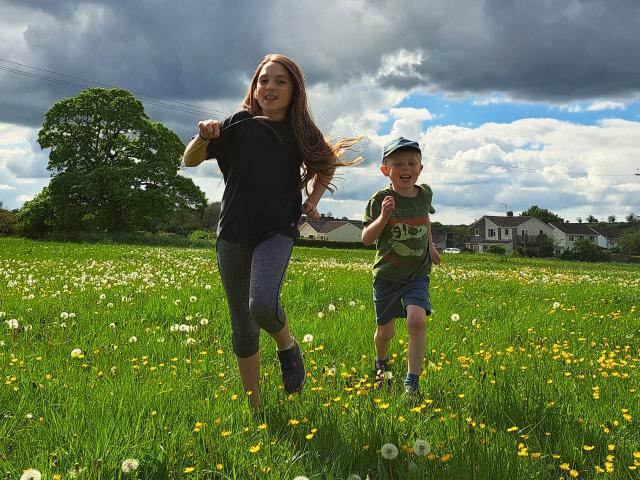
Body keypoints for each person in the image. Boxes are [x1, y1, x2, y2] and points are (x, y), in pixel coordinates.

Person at [182, 54, 360, 409]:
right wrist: (202, 137)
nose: (270, 87)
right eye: (264, 80)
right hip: (233, 232)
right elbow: (189, 159)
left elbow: (324, 163)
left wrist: (313, 199)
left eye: (280, 81)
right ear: (254, 86)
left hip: (277, 229)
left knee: (262, 303)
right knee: (243, 326)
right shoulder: (239, 124)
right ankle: (255, 408)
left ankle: (286, 344)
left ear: (295, 90)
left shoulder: (301, 132)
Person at [361, 137, 441, 398]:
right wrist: (384, 217)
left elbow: (425, 219)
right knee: (385, 332)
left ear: (420, 168)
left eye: (411, 163)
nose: (405, 168)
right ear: (385, 170)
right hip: (387, 276)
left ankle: (412, 382)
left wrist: (430, 247)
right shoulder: (380, 199)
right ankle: (381, 363)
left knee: (417, 321)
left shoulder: (425, 194)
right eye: (397, 164)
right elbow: (367, 239)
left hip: (417, 273)